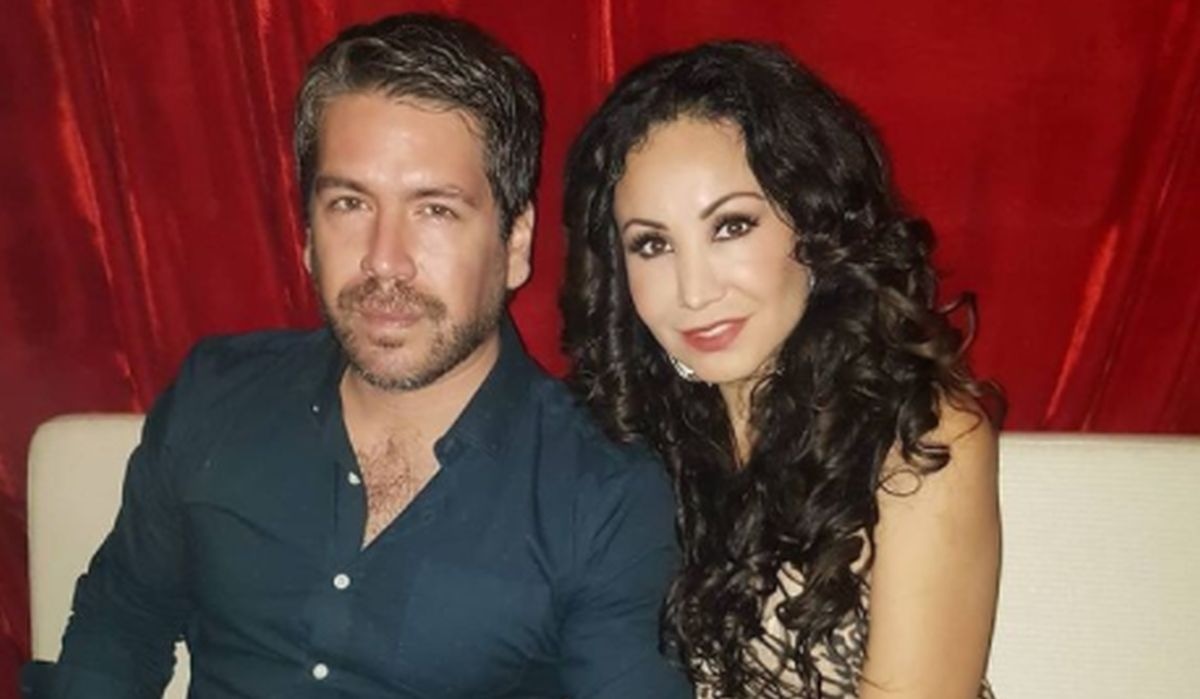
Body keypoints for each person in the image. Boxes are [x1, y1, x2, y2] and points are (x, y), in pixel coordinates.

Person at [44, 14, 690, 699]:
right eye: (350, 203)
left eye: (435, 210)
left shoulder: (602, 494)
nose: (385, 260)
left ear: (516, 243)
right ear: (307, 233)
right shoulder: (215, 395)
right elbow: (119, 628)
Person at [561, 40, 1002, 699]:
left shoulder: (918, 441)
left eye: (730, 227)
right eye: (652, 244)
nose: (694, 291)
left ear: (814, 223)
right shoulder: (636, 436)